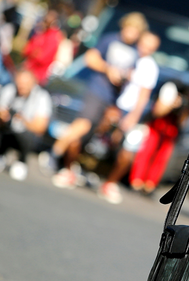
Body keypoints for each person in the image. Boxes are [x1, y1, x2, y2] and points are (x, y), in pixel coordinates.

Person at [39, 12, 148, 182]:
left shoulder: (134, 51)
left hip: (112, 97)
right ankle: (54, 152)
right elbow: (90, 58)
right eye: (130, 29)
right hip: (97, 90)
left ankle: (70, 165)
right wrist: (108, 69)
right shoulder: (110, 40)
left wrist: (125, 77)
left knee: (91, 135)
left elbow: (132, 74)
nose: (132, 34)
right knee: (82, 125)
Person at [96, 31, 161, 204]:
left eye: (150, 47)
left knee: (127, 151)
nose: (145, 49)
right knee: (101, 138)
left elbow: (144, 95)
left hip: (131, 111)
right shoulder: (129, 56)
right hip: (115, 105)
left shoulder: (149, 66)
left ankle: (110, 183)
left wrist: (133, 116)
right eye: (143, 44)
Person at [0, 68, 52, 181]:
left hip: (26, 134)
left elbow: (40, 128)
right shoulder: (9, 90)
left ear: (33, 84)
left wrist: (23, 120)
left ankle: (22, 160)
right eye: (19, 83)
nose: (21, 87)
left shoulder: (41, 97)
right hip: (6, 130)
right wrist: (2, 116)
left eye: (25, 84)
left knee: (27, 136)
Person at [22, 10, 63, 85]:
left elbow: (42, 57)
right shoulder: (41, 33)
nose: (46, 22)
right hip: (28, 70)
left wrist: (34, 53)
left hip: (38, 76)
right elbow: (26, 50)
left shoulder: (54, 37)